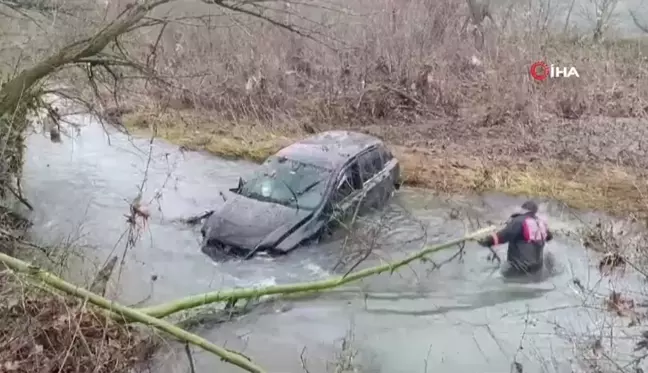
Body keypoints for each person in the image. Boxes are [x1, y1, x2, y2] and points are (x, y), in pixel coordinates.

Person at [477, 200, 554, 278]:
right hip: (536, 269)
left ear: (522, 210)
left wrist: (487, 241)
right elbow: (549, 237)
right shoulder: (541, 224)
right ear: (534, 212)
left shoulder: (519, 221)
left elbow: (504, 236)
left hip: (518, 269)